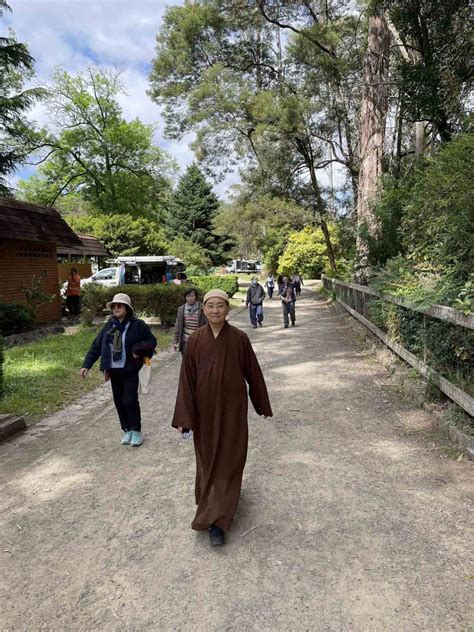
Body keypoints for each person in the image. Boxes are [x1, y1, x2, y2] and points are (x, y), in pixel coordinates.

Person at [172, 288, 273, 546]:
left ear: (228, 309)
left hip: (232, 409)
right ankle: (212, 505)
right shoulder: (195, 340)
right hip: (205, 412)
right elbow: (187, 381)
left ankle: (218, 521)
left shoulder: (239, 339)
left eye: (220, 306)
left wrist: (261, 403)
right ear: (204, 310)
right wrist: (185, 416)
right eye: (210, 306)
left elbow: (253, 372)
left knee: (230, 458)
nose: (215, 310)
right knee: (207, 459)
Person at [80, 293, 156, 447]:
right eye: (114, 306)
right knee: (119, 402)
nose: (116, 308)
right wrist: (86, 365)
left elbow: (151, 341)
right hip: (114, 371)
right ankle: (126, 429)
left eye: (119, 305)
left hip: (130, 369)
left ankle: (136, 430)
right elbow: (96, 346)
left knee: (129, 400)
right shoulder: (109, 325)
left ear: (127, 308)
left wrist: (137, 348)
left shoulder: (137, 325)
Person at [173, 287, 207, 355]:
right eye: (188, 296)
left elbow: (207, 324)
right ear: (185, 297)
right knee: (186, 361)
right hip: (185, 340)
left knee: (198, 361)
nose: (190, 298)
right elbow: (177, 326)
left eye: (192, 296)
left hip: (199, 340)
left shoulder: (203, 308)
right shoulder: (181, 309)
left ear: (196, 297)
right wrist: (175, 341)